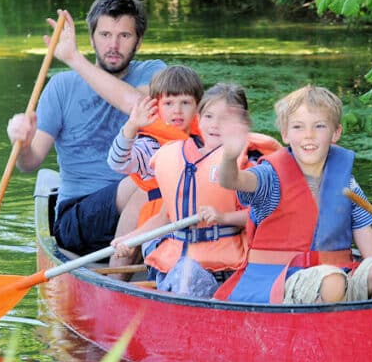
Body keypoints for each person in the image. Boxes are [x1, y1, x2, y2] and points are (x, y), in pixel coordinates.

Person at [214, 85, 372, 304]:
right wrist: (230, 155)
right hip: (277, 283)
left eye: (319, 126)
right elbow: (232, 180)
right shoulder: (270, 178)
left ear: (335, 133)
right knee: (331, 279)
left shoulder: (347, 185)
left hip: (336, 281)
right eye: (298, 127)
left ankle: (369, 339)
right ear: (285, 134)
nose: (308, 135)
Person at [6, 0, 165, 265]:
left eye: (124, 36)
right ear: (91, 39)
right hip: (78, 218)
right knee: (145, 185)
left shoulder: (156, 73)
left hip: (146, 212)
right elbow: (30, 162)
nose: (113, 45)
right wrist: (20, 142)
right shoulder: (62, 87)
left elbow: (137, 105)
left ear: (139, 41)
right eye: (104, 34)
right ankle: (121, 284)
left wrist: (74, 59)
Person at [112, 84, 281, 297]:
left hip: (226, 270)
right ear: (199, 120)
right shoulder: (180, 158)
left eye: (226, 119)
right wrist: (131, 238)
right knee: (182, 269)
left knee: (188, 274)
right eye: (209, 116)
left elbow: (260, 215)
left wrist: (223, 217)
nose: (215, 125)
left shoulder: (249, 164)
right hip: (179, 265)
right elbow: (165, 217)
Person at [107, 65, 204, 262]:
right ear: (156, 107)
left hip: (197, 225)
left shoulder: (207, 140)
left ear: (197, 107)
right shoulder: (150, 146)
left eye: (185, 102)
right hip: (158, 232)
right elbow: (118, 163)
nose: (177, 110)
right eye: (168, 103)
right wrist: (132, 126)